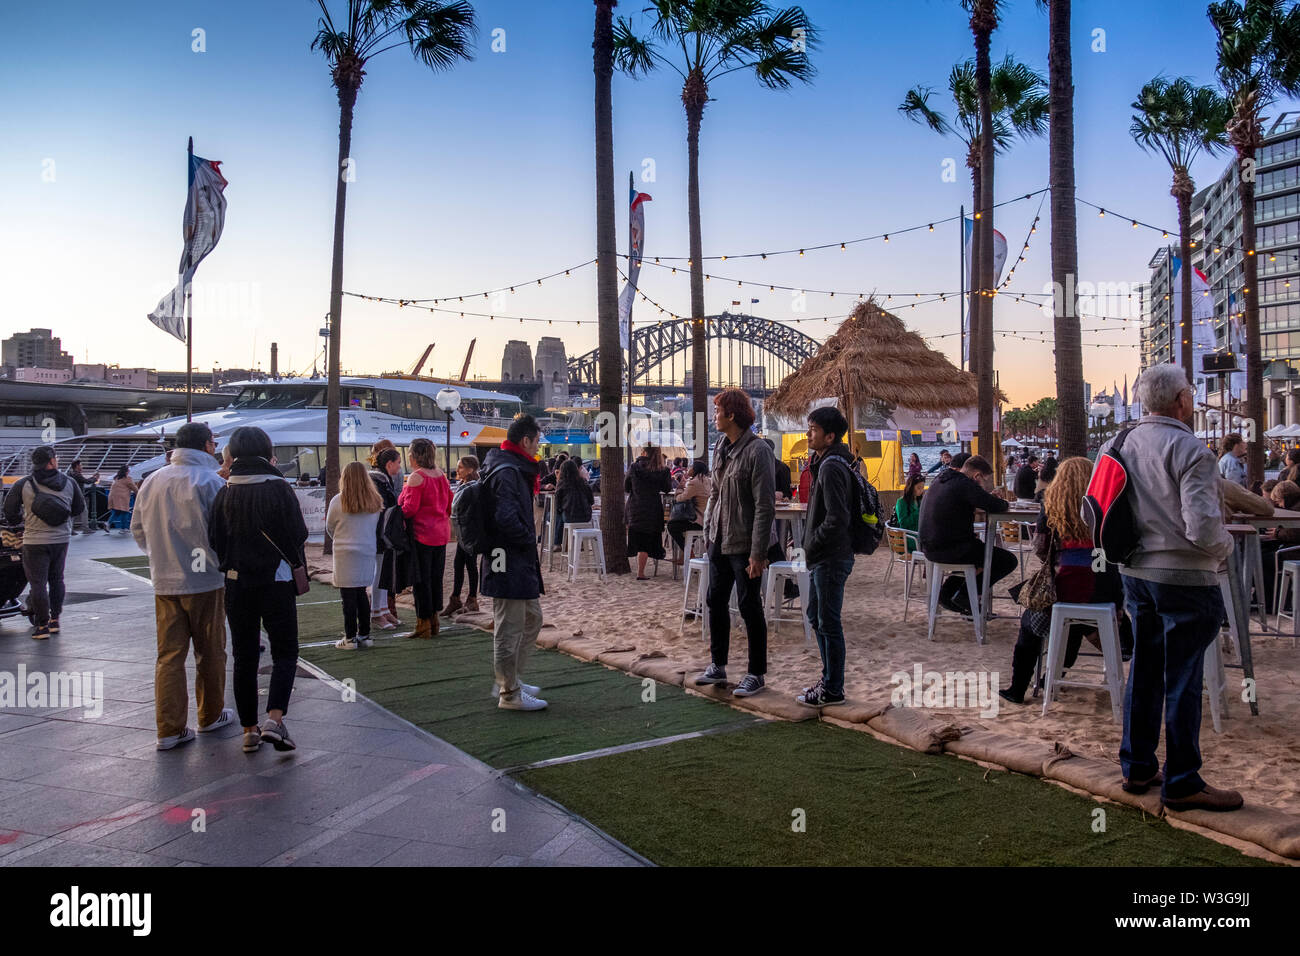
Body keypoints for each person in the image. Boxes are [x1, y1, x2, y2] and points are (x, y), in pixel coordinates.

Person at [1100, 364, 1241, 812]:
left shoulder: (1115, 444)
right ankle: (1182, 781)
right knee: (1183, 678)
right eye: (1191, 394)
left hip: (1135, 574)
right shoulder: (1191, 449)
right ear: (1180, 400)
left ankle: (1137, 766)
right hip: (1184, 577)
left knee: (1143, 670)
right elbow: (1201, 526)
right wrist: (1227, 546)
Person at [130, 422, 233, 748]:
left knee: (169, 656)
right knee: (211, 651)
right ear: (206, 445)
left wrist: (161, 556)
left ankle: (169, 729)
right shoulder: (211, 482)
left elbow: (138, 530)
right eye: (213, 443)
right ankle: (210, 714)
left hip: (164, 579)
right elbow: (224, 534)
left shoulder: (152, 482)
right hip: (205, 580)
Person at [999, 457, 1133, 704]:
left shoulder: (1051, 506)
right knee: (1075, 626)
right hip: (1104, 592)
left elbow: (1040, 547)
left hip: (1063, 589)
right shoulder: (1106, 506)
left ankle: (1018, 688)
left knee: (1031, 628)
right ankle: (1049, 680)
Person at [209, 426, 309, 754]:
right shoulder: (279, 487)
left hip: (237, 583)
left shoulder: (225, 491)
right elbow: (298, 533)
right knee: (284, 652)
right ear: (267, 452)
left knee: (245, 656)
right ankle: (275, 719)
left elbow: (215, 540)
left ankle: (249, 730)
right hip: (276, 580)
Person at [695, 388, 775, 698]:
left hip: (744, 544)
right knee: (715, 601)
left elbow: (764, 505)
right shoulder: (720, 447)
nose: (714, 416)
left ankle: (756, 673)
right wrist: (708, 531)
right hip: (719, 539)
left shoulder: (758, 451)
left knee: (749, 606)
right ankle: (718, 664)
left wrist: (758, 552)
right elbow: (715, 492)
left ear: (731, 415)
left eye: (717, 411)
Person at [480, 414, 547, 710]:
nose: (538, 447)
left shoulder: (510, 466)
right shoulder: (507, 471)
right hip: (507, 557)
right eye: (536, 441)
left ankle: (511, 680)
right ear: (525, 441)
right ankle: (509, 693)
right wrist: (526, 541)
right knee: (509, 626)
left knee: (532, 618)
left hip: (514, 557)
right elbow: (506, 518)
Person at [796, 405, 856, 708]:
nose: (809, 434)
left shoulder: (832, 467)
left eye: (814, 430)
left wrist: (811, 545)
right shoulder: (826, 462)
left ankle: (834, 688)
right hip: (825, 555)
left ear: (830, 436)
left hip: (830, 556)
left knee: (828, 621)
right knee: (816, 617)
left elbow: (836, 518)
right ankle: (829, 680)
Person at [2, 445, 84, 639]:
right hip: (61, 539)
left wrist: (21, 522)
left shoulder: (24, 483)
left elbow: (9, 510)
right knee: (57, 579)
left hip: (34, 540)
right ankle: (55, 620)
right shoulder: (69, 482)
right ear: (52, 461)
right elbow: (78, 508)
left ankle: (42, 626)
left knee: (37, 583)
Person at [918, 454, 1014, 616]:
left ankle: (947, 594)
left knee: (979, 555)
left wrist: (986, 497)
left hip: (930, 547)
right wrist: (1001, 501)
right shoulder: (965, 484)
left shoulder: (942, 479)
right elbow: (996, 506)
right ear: (977, 476)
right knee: (1007, 560)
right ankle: (964, 595)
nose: (984, 483)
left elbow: (976, 500)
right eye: (984, 480)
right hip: (951, 549)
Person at [399, 437, 453, 639]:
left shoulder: (416, 477)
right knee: (436, 578)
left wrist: (397, 511)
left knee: (421, 581)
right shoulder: (441, 475)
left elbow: (409, 509)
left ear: (414, 456)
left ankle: (423, 623)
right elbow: (449, 504)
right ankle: (434, 619)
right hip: (440, 533)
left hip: (422, 535)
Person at [327, 461, 384, 650]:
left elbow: (330, 527)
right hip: (367, 550)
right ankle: (365, 634)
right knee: (361, 593)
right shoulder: (375, 500)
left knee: (348, 596)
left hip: (344, 552)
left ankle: (349, 637)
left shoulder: (338, 500)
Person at [367, 448, 405, 629]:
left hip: (382, 532)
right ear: (389, 464)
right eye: (398, 463)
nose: (399, 467)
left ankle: (382, 609)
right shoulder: (379, 481)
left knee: (383, 572)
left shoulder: (381, 479)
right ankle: (376, 612)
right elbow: (384, 506)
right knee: (379, 573)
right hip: (380, 533)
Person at [625, 445, 673, 579]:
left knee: (639, 539)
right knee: (647, 539)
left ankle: (640, 572)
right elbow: (667, 488)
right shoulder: (663, 470)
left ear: (644, 452)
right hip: (653, 508)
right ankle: (641, 573)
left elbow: (627, 486)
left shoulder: (634, 467)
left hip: (635, 507)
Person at [444, 455, 482, 618]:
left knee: (469, 564)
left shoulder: (474, 486)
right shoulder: (464, 485)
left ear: (470, 469)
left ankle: (471, 598)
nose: (457, 470)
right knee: (458, 564)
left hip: (470, 531)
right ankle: (456, 598)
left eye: (460, 467)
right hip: (463, 531)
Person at [668, 460, 711, 558]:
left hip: (698, 520)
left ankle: (689, 553)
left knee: (672, 526)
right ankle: (684, 555)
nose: (688, 469)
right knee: (686, 531)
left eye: (691, 467)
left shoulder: (694, 482)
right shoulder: (708, 480)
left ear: (695, 469)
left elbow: (680, 499)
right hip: (707, 519)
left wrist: (679, 488)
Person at [554, 456, 594, 549]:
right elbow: (591, 501)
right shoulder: (583, 482)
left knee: (558, 515)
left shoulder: (562, 484)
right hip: (586, 517)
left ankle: (557, 543)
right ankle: (581, 543)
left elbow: (558, 505)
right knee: (563, 514)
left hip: (570, 517)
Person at [66, 459, 99, 534]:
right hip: (79, 496)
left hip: (72, 495)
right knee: (84, 511)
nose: (82, 467)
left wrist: (93, 478)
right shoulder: (77, 475)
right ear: (77, 466)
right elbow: (86, 481)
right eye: (81, 465)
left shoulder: (71, 474)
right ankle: (85, 528)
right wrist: (95, 478)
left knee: (73, 513)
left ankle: (70, 529)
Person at [893, 474, 924, 551]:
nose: (921, 490)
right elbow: (903, 524)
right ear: (911, 487)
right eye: (918, 488)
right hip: (907, 537)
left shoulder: (919, 501)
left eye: (922, 488)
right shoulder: (901, 502)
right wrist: (919, 512)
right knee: (931, 544)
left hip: (917, 534)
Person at [103, 465, 138, 533]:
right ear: (126, 471)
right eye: (128, 470)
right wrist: (140, 493)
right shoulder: (127, 479)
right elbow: (134, 488)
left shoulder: (117, 477)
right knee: (125, 512)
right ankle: (123, 528)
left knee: (117, 511)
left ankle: (108, 523)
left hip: (113, 496)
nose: (129, 471)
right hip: (121, 497)